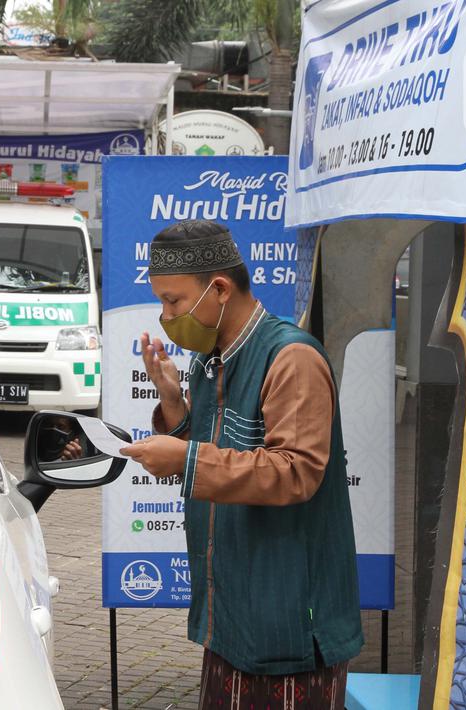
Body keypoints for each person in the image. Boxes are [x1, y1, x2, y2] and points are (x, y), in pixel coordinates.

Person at [118, 220, 362, 708]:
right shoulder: (211, 359)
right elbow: (220, 453)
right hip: (229, 617)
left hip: (289, 624)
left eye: (175, 301)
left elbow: (295, 471)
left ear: (221, 289)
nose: (166, 316)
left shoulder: (290, 357)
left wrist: (185, 458)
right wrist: (172, 404)